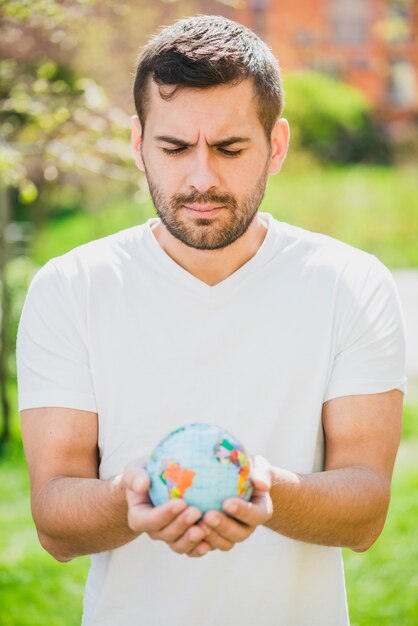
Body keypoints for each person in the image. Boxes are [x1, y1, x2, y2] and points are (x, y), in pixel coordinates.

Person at [16, 14, 406, 626]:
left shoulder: (348, 284)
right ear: (138, 144)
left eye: (229, 148)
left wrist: (261, 487)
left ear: (275, 146)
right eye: (173, 148)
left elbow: (366, 513)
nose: (201, 177)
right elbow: (54, 520)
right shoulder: (72, 288)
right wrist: (131, 497)